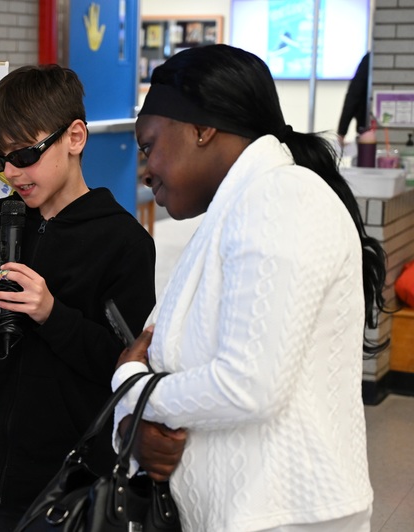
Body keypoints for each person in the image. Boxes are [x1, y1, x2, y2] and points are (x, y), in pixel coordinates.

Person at [112, 44, 387, 531]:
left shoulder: (282, 199)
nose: (145, 169)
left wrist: (134, 390)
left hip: (282, 517)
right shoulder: (236, 211)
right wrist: (139, 425)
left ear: (201, 129)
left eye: (149, 145)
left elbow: (248, 385)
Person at [0, 64, 156, 530]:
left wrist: (51, 313)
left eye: (25, 155)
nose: (12, 173)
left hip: (78, 481)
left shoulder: (124, 243)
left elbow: (124, 366)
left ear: (75, 137)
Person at [337, 52, 370, 149]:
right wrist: (342, 131)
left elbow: (354, 95)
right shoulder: (370, 59)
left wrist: (341, 133)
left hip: (367, 131)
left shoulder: (370, 58)